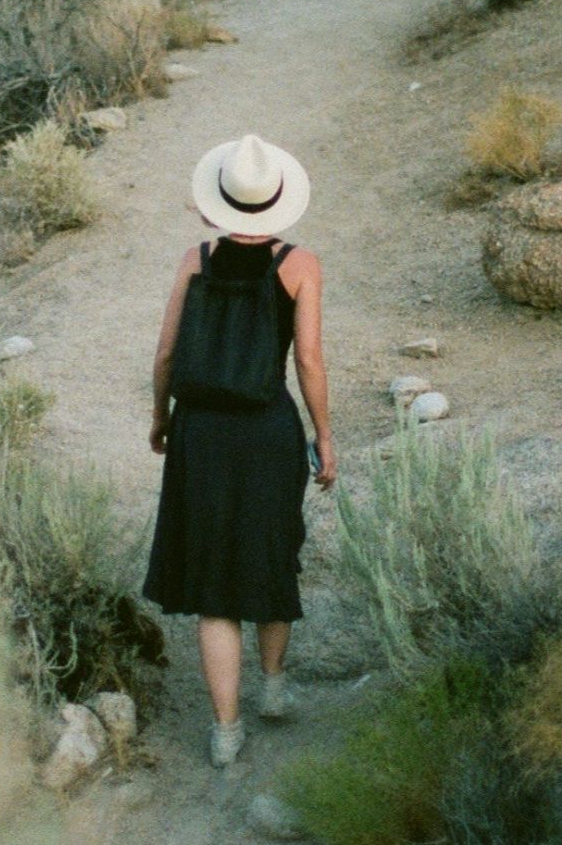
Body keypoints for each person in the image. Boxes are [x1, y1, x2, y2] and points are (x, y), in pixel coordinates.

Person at [142, 133, 338, 768]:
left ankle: (225, 731)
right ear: (278, 202)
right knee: (269, 549)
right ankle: (274, 686)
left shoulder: (194, 259)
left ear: (216, 206)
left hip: (200, 430)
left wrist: (160, 419)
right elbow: (308, 359)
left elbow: (167, 354)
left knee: (212, 584)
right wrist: (324, 435)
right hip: (265, 429)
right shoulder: (300, 264)